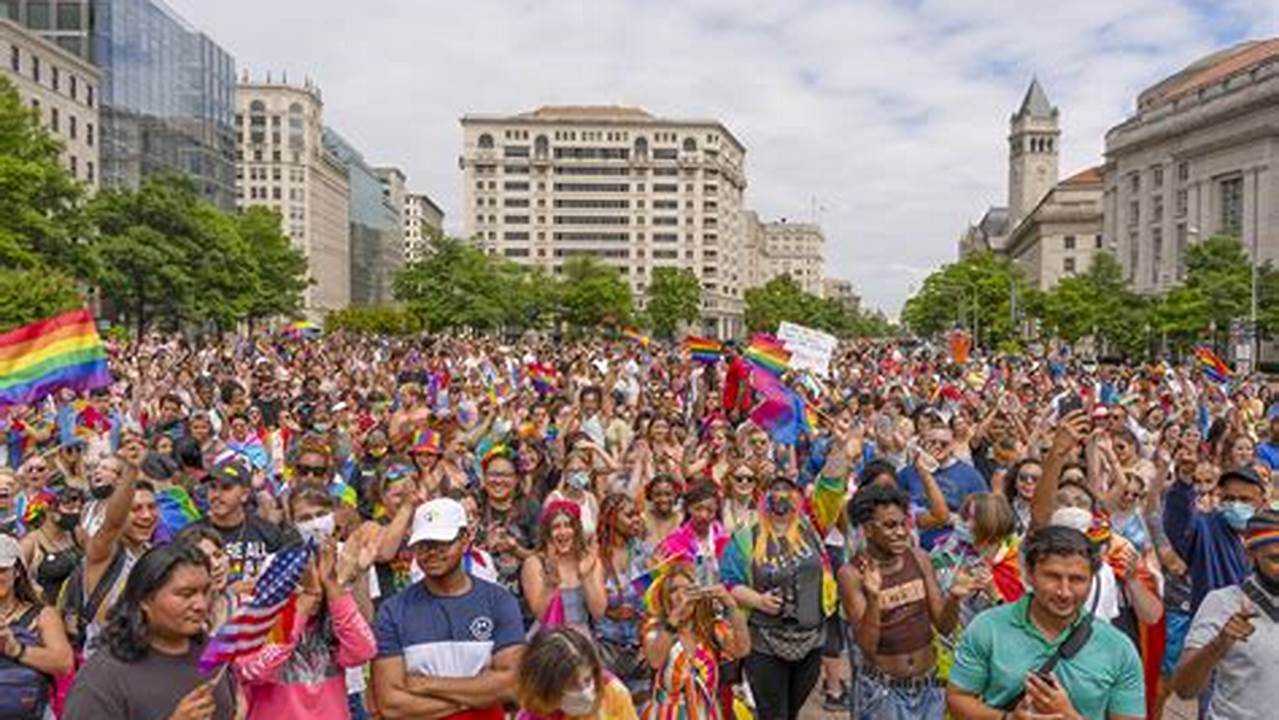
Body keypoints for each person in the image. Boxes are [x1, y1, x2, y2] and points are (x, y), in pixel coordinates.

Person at [946, 525, 1146, 720]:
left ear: (1092, 580)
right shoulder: (988, 627)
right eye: (1053, 577)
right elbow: (958, 698)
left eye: (1076, 580)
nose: (1064, 592)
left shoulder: (1119, 649)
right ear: (1029, 575)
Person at [371, 498, 525, 720]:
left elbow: (510, 685)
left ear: (464, 539)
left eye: (441, 543)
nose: (431, 553)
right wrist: (476, 697)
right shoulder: (393, 611)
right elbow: (392, 705)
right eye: (423, 545)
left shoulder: (499, 601)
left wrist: (426, 684)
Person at [233, 486, 379, 720]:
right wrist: (301, 606)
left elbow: (363, 650)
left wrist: (333, 585)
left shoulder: (343, 566)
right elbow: (252, 671)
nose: (315, 524)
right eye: (305, 518)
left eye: (321, 514)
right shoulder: (270, 578)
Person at [64, 542, 238, 719]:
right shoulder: (103, 677)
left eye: (206, 592)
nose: (201, 605)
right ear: (144, 599)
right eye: (186, 594)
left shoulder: (215, 654)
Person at [841, 483, 969, 719]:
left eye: (903, 524)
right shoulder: (853, 574)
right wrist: (873, 596)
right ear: (868, 530)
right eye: (890, 526)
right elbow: (867, 647)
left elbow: (944, 625)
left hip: (928, 688)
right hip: (884, 693)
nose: (901, 532)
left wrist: (954, 597)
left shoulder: (919, 559)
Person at [722, 475, 837, 720]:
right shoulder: (745, 538)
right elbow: (729, 582)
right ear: (764, 499)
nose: (782, 495)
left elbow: (832, 487)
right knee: (773, 714)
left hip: (811, 640)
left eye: (788, 490)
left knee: (791, 711)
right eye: (775, 489)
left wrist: (839, 447)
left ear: (797, 498)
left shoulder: (813, 529)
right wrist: (758, 600)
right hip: (764, 642)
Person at [1172, 508, 1279, 718]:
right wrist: (1219, 644)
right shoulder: (1222, 603)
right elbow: (1185, 690)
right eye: (1275, 559)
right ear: (1251, 555)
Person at [640, 562, 750, 720]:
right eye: (673, 591)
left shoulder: (712, 629)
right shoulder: (656, 628)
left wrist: (730, 604)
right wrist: (675, 617)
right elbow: (655, 660)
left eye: (687, 590)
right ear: (665, 596)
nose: (681, 596)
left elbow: (742, 649)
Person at [0, 533, 73, 720]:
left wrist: (17, 649)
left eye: (2, 570)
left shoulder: (43, 615)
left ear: (16, 572)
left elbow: (64, 664)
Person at [191, 453, 287, 584]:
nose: (216, 495)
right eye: (212, 487)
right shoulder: (191, 536)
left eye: (226, 488)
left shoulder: (268, 533)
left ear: (244, 494)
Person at [595, 493, 652, 700]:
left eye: (638, 514)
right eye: (630, 515)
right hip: (605, 648)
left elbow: (651, 601)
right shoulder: (595, 556)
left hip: (638, 649)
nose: (637, 519)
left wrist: (648, 641)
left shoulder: (643, 553)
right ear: (610, 518)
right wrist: (610, 611)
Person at [521, 500, 606, 632]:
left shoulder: (590, 561)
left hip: (580, 638)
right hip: (547, 638)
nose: (562, 532)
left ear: (577, 530)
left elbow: (598, 613)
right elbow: (540, 615)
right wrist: (551, 585)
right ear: (547, 533)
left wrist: (585, 576)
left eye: (568, 525)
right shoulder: (534, 563)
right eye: (556, 527)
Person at [515, 627, 638, 720]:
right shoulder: (534, 713)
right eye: (572, 685)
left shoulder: (612, 691)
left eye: (588, 680)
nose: (584, 692)